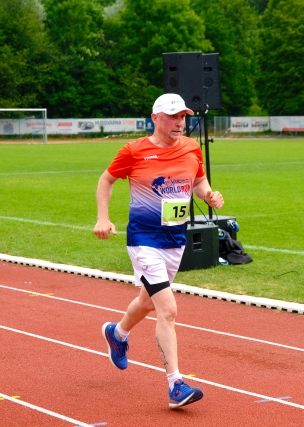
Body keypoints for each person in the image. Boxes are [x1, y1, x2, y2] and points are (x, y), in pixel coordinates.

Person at [94, 93, 224, 409]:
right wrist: (102, 217)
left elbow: (199, 181)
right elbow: (106, 180)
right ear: (155, 118)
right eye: (173, 116)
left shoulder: (191, 148)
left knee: (147, 302)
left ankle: (117, 334)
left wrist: (208, 194)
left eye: (183, 117)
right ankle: (175, 385)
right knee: (168, 309)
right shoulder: (134, 150)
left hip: (174, 240)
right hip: (144, 240)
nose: (180, 122)